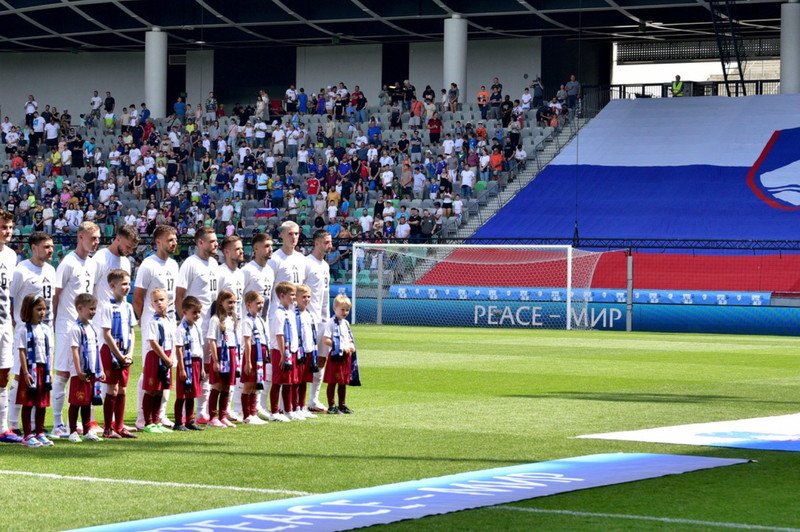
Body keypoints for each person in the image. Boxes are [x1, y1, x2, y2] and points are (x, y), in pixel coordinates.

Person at [52, 221, 99, 439]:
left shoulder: (92, 264)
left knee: (86, 374)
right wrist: (54, 322)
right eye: (93, 238)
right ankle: (57, 423)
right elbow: (56, 294)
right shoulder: (68, 263)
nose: (96, 242)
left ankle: (83, 423)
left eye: (98, 238)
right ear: (81, 237)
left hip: (84, 329)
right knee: (62, 374)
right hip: (66, 325)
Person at [8, 232, 55, 436]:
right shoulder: (21, 271)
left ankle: (37, 428)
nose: (51, 250)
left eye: (51, 246)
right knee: (20, 377)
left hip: (45, 331)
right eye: (46, 246)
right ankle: (12, 424)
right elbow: (9, 299)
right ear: (34, 248)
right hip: (25, 332)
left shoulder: (52, 270)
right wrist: (18, 324)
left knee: (42, 376)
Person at [133, 225, 179, 430]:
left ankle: (160, 415)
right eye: (170, 239)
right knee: (149, 370)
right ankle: (142, 418)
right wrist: (146, 320)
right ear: (158, 242)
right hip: (152, 324)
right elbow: (138, 297)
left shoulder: (175, 264)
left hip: (168, 323)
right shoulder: (148, 264)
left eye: (175, 238)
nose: (174, 242)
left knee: (168, 368)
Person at [175, 227, 219, 423]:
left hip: (211, 325)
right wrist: (183, 322)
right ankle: (183, 414)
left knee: (206, 370)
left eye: (216, 241)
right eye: (211, 241)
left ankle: (201, 412)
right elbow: (179, 295)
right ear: (200, 242)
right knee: (189, 368)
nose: (215, 244)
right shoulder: (190, 264)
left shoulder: (215, 264)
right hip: (195, 326)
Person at [98, 269, 137, 439]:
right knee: (112, 390)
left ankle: (120, 426)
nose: (127, 287)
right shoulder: (107, 307)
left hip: (124, 352)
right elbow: (106, 334)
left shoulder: (128, 307)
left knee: (122, 390)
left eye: (128, 284)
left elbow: (132, 331)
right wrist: (119, 356)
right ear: (112, 286)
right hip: (111, 352)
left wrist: (129, 353)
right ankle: (108, 428)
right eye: (123, 284)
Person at [241, 233, 275, 418]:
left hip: (262, 326)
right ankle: (240, 409)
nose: (270, 249)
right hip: (247, 327)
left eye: (271, 246)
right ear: (255, 248)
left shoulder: (270, 271)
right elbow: (240, 299)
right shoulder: (247, 270)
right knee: (247, 368)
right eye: (266, 246)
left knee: (261, 368)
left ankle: (256, 407)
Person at [15, 295, 54, 448]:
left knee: (41, 404)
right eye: (38, 309)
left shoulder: (46, 329)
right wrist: (25, 372)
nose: (42, 312)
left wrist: (50, 372)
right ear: (29, 310)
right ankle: (27, 435)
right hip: (31, 370)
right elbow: (22, 352)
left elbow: (50, 350)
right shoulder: (24, 330)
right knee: (28, 403)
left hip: (43, 370)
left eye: (44, 309)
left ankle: (40, 432)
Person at [67, 293, 103, 442]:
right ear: (80, 308)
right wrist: (78, 371)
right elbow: (75, 351)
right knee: (76, 402)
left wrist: (100, 368)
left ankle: (87, 430)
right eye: (91, 309)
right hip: (80, 372)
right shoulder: (76, 329)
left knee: (88, 401)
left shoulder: (92, 328)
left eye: (95, 309)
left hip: (92, 371)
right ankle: (72, 431)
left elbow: (96, 349)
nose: (93, 312)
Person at [217, 235, 245, 421]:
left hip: (238, 326)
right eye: (237, 249)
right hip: (223, 328)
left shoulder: (241, 274)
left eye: (241, 248)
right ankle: (211, 410)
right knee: (222, 370)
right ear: (227, 252)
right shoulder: (220, 273)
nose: (241, 251)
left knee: (236, 367)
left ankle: (229, 408)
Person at [141, 288, 175, 434]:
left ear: (168, 301)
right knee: (151, 390)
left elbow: (173, 340)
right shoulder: (152, 321)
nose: (159, 303)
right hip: (155, 357)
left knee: (161, 389)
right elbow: (153, 342)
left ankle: (156, 420)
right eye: (156, 301)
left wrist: (172, 357)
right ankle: (148, 422)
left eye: (161, 300)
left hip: (167, 356)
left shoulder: (169, 320)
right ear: (152, 304)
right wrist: (166, 358)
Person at [305, 230, 331, 412]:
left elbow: (325, 295)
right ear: (317, 243)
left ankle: (313, 399)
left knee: (322, 359)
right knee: (304, 360)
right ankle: (290, 403)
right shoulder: (306, 263)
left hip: (323, 320)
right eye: (327, 242)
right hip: (308, 320)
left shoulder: (325, 266)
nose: (330, 245)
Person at [206, 290, 239, 428]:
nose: (232, 305)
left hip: (231, 353)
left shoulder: (232, 319)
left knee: (227, 386)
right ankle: (212, 417)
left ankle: (223, 415)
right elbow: (212, 340)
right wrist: (216, 360)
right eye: (229, 302)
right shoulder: (215, 320)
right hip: (221, 354)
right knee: (218, 385)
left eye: (234, 303)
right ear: (221, 302)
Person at [0, 211, 19, 444]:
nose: (7, 231)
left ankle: (3, 427)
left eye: (10, 227)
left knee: (4, 374)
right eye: (3, 227)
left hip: (4, 323)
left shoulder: (12, 256)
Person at [173, 295, 205, 431]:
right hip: (186, 365)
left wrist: (202, 367)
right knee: (182, 395)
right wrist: (181, 369)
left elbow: (200, 349)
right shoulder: (181, 329)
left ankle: (190, 421)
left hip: (197, 363)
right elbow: (179, 349)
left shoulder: (197, 328)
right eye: (194, 312)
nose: (197, 315)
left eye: (198, 312)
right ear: (185, 312)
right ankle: (178, 421)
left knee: (192, 394)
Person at [268, 281, 298, 422]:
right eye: (291, 295)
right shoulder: (279, 314)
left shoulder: (290, 313)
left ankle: (288, 409)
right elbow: (279, 335)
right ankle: (274, 412)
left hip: (290, 351)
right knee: (278, 382)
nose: (294, 298)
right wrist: (282, 353)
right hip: (280, 352)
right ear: (282, 296)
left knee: (289, 382)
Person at [323, 294, 356, 415]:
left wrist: (351, 345)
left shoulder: (346, 323)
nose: (345, 312)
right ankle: (331, 405)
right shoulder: (331, 323)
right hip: (336, 356)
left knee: (343, 381)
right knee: (333, 381)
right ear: (335, 308)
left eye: (347, 310)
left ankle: (342, 404)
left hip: (346, 357)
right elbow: (325, 339)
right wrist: (340, 346)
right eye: (342, 309)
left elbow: (348, 338)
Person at [241, 291, 269, 425]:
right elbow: (247, 341)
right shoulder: (247, 321)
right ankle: (247, 415)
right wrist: (247, 362)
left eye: (262, 303)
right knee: (248, 384)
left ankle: (253, 412)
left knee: (256, 385)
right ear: (248, 305)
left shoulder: (260, 320)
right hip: (252, 354)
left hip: (260, 354)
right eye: (257, 303)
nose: (260, 306)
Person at [267, 222, 306, 319]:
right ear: (282, 235)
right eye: (290, 234)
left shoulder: (301, 258)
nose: (294, 237)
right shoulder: (274, 259)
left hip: (296, 313)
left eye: (296, 234)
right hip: (278, 314)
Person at [294, 284, 319, 420]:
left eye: (308, 297)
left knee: (304, 381)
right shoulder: (293, 314)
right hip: (299, 352)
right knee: (296, 381)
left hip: (309, 351)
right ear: (296, 297)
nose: (306, 299)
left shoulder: (310, 314)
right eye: (303, 297)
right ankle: (294, 407)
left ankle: (302, 406)